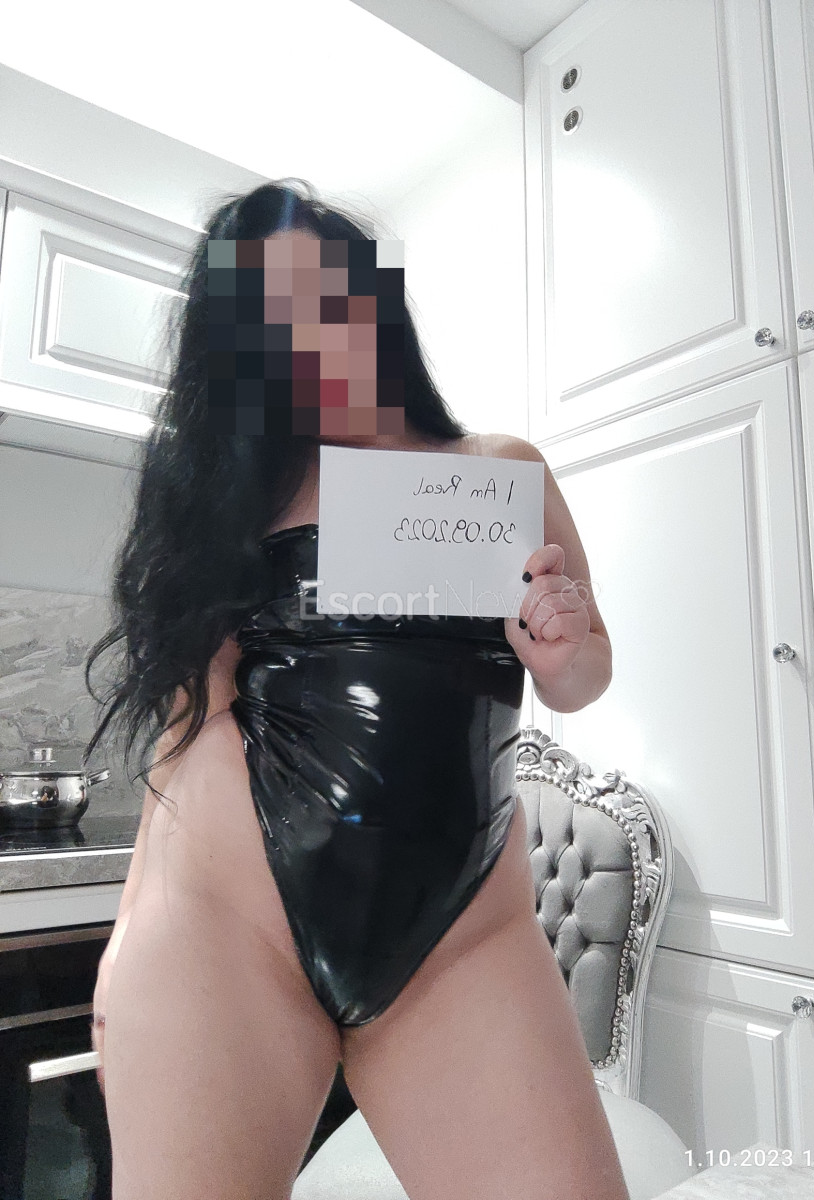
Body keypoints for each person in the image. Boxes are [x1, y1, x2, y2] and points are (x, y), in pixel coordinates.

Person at [84, 177, 630, 1200]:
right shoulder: (235, 497)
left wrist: (561, 652)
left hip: (459, 932)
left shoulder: (497, 468)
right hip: (221, 927)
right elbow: (186, 718)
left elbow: (582, 674)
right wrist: (127, 934)